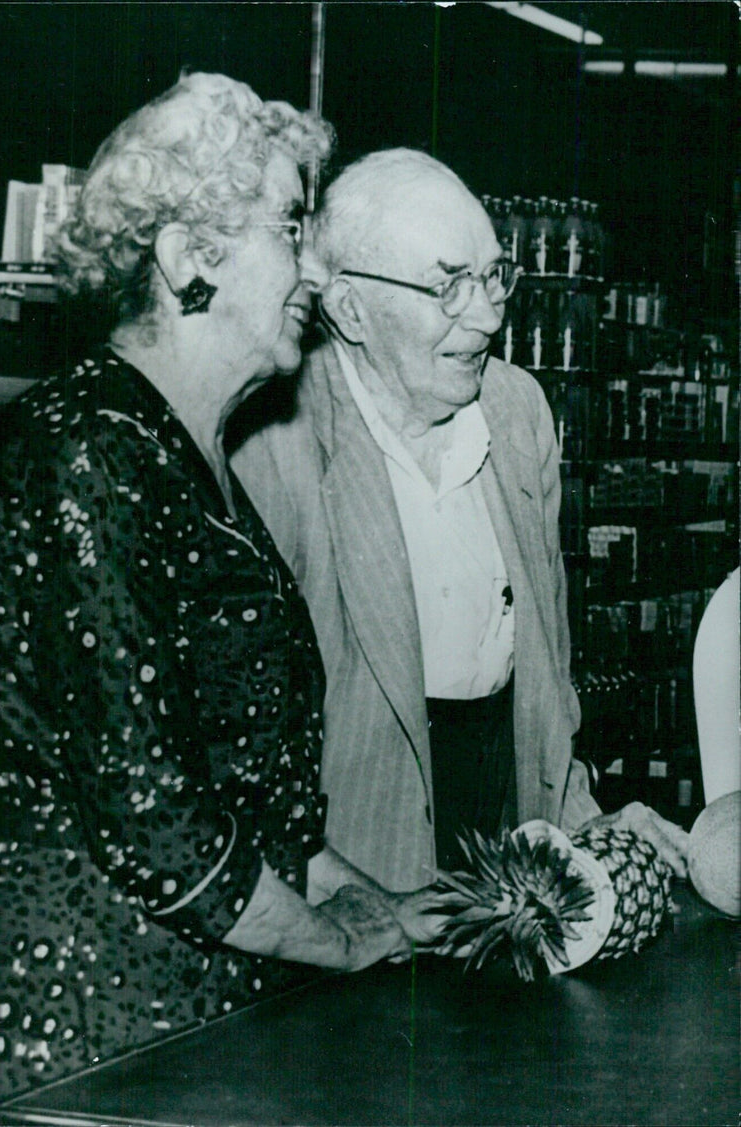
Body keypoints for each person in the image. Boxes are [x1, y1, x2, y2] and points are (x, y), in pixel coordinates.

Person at [0, 82, 441, 1124]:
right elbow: (156, 825)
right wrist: (340, 937)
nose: (314, 267)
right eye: (290, 226)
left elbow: (249, 792)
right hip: (94, 1029)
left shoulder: (183, 454)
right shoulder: (84, 454)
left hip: (200, 1008)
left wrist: (379, 902)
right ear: (185, 259)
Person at [233, 148, 690, 889]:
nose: (485, 316)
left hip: (509, 856)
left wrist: (583, 825)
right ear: (349, 308)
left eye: (492, 277)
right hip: (348, 869)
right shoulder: (275, 439)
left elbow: (546, 663)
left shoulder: (516, 413)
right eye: (447, 286)